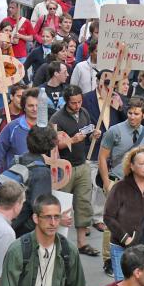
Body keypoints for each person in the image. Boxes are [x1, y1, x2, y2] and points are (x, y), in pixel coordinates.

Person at [0, 194, 87, 286]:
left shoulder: (69, 251)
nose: (53, 222)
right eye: (47, 217)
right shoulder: (18, 250)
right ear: (35, 218)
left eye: (57, 217)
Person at [48, 85, 98, 256]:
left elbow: (87, 132)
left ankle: (82, 243)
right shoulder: (57, 118)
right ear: (66, 102)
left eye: (79, 102)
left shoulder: (83, 113)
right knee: (62, 206)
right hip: (64, 168)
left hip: (82, 164)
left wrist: (93, 135)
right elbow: (52, 144)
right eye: (73, 103)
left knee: (83, 203)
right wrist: (72, 140)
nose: (77, 106)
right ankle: (59, 244)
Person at [103, 146, 144, 281]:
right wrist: (125, 238)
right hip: (121, 248)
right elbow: (108, 217)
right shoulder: (120, 187)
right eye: (141, 164)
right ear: (132, 166)